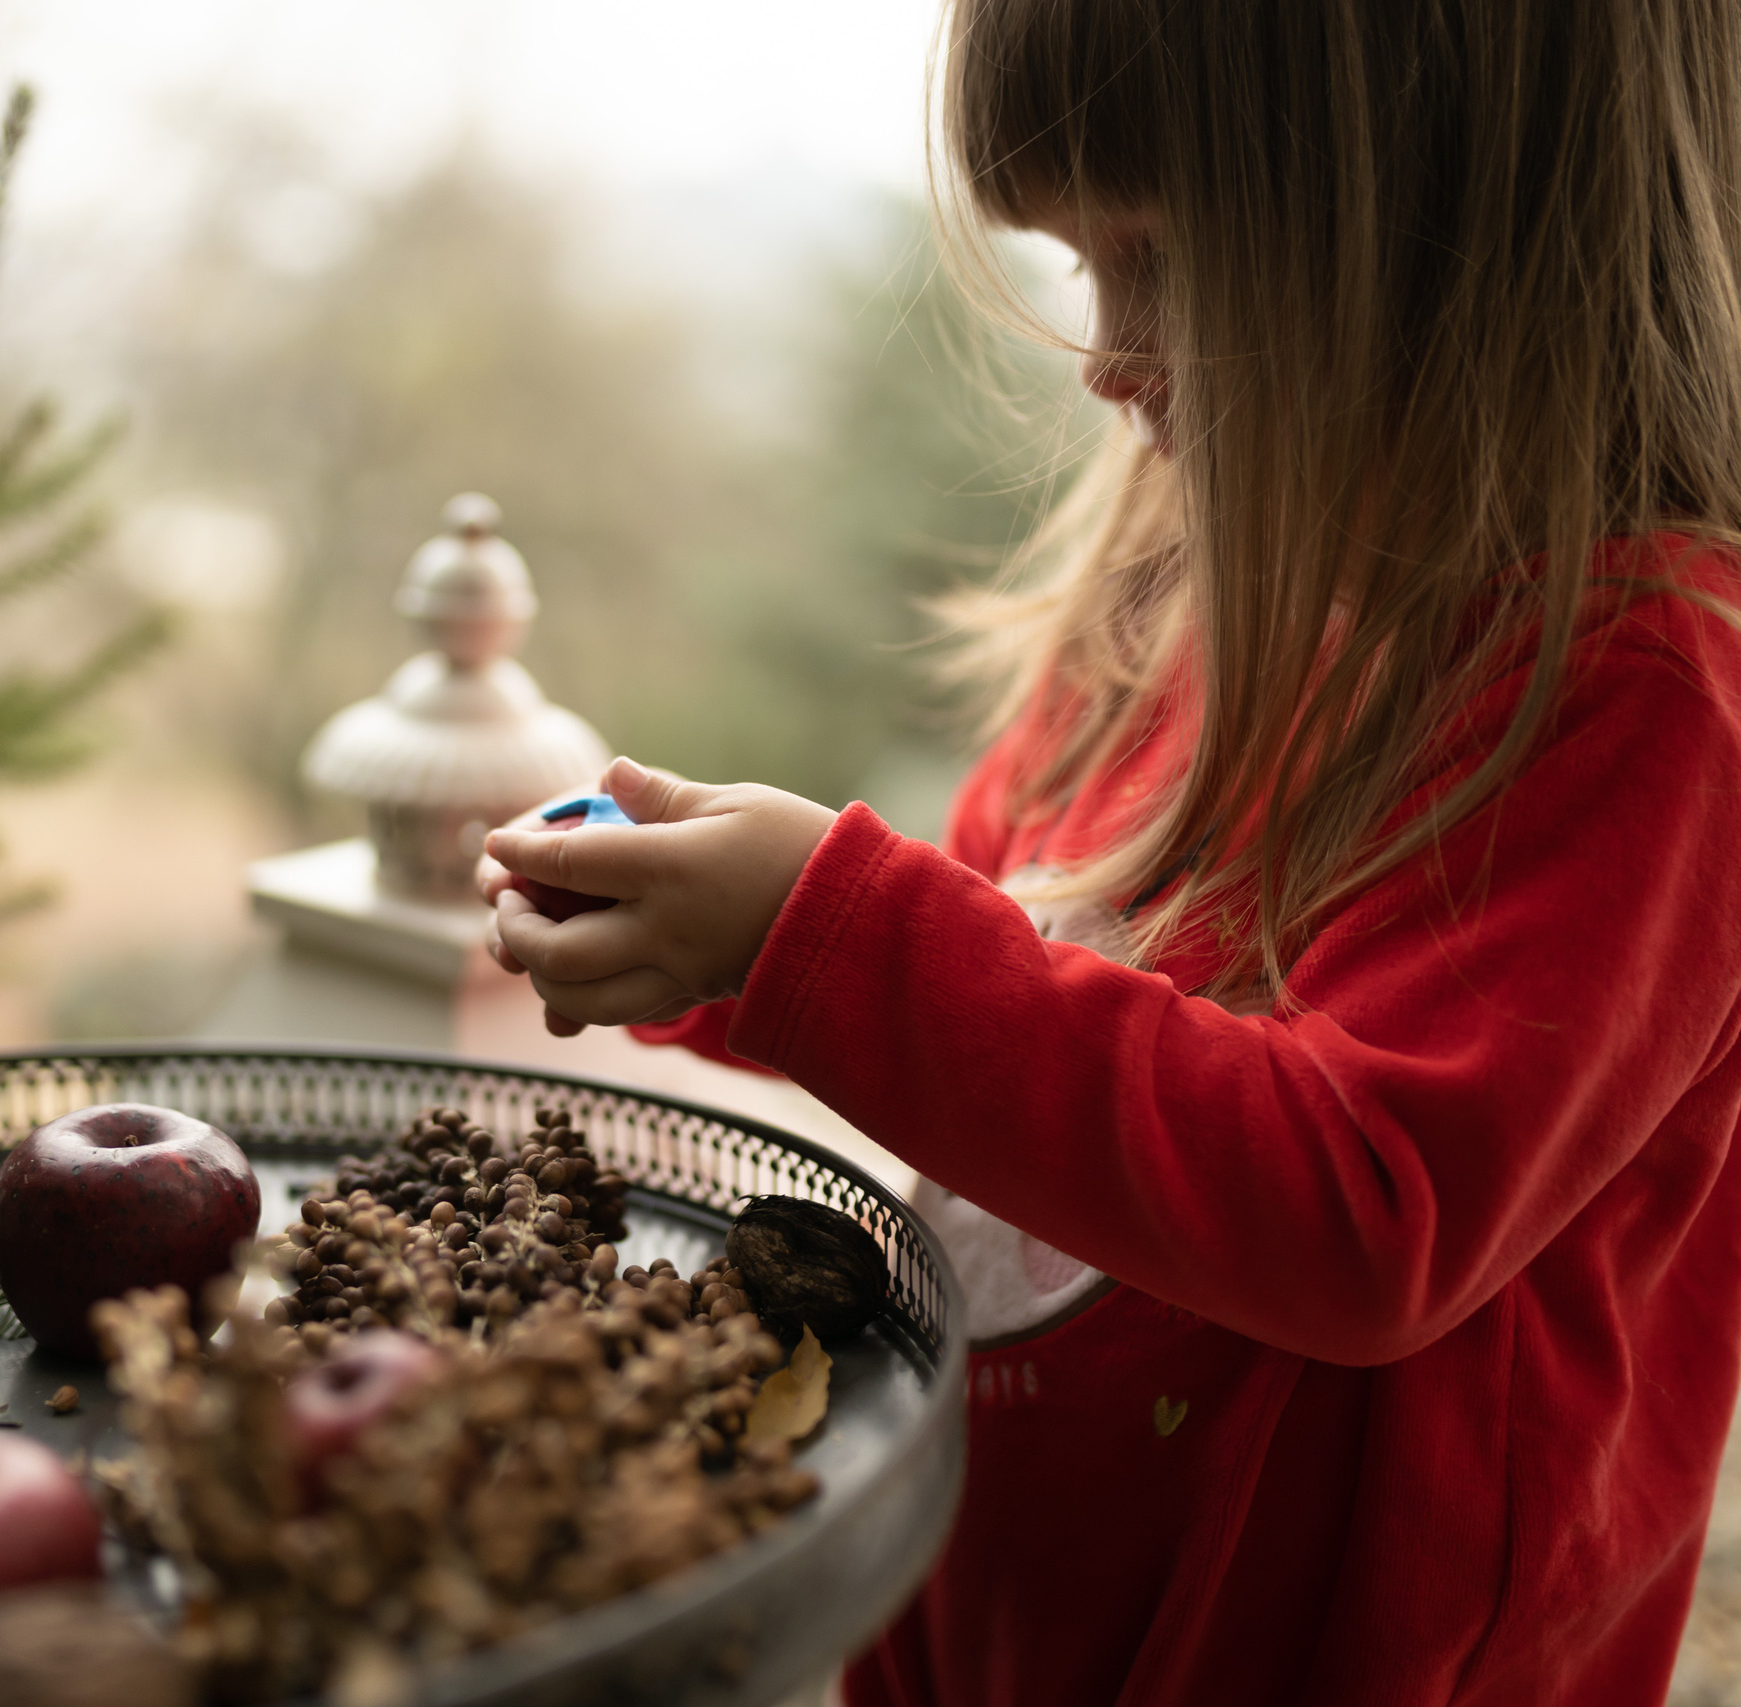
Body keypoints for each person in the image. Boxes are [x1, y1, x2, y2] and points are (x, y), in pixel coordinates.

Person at [476, 2, 1741, 1702]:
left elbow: (1366, 1210)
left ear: (1458, 226)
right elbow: (1037, 985)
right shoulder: (1182, 562)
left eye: (1153, 254)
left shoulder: (1645, 691)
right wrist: (729, 952)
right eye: (1082, 263)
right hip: (994, 1596)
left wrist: (824, 939)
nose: (1108, 355)